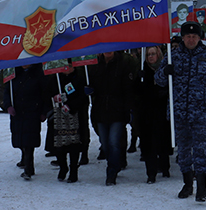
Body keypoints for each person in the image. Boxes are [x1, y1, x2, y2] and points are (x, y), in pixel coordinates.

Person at [156, 22, 206, 202]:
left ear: (199, 38)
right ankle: (187, 183)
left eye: (194, 36)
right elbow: (158, 80)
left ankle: (202, 188)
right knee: (184, 151)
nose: (191, 39)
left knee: (200, 150)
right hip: (179, 112)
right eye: (187, 36)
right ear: (182, 37)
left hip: (201, 112)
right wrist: (165, 71)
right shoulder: (172, 56)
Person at [88, 50, 136, 185]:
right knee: (105, 143)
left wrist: (128, 109)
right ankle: (114, 162)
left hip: (117, 109)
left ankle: (112, 172)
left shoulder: (122, 63)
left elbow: (127, 88)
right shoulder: (96, 65)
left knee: (114, 141)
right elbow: (92, 84)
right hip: (101, 110)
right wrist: (89, 88)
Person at [4, 63, 48, 181]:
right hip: (18, 113)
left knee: (29, 141)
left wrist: (44, 111)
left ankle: (28, 168)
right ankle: (26, 160)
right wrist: (8, 106)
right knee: (20, 140)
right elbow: (7, 92)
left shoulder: (38, 74)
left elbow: (45, 93)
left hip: (32, 112)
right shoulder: (12, 74)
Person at [46, 61, 88, 183]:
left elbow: (83, 97)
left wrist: (71, 105)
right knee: (59, 144)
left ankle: (74, 170)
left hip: (75, 115)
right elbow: (47, 94)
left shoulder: (79, 78)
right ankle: (63, 167)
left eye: (69, 66)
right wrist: (55, 98)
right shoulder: (55, 79)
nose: (66, 68)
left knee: (74, 144)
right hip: (58, 117)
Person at [136, 45, 172, 183]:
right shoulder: (142, 70)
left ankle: (165, 167)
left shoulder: (164, 69)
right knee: (148, 144)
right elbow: (136, 92)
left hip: (162, 112)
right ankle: (151, 173)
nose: (151, 56)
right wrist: (138, 82)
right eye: (148, 54)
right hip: (147, 114)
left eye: (153, 54)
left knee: (162, 142)